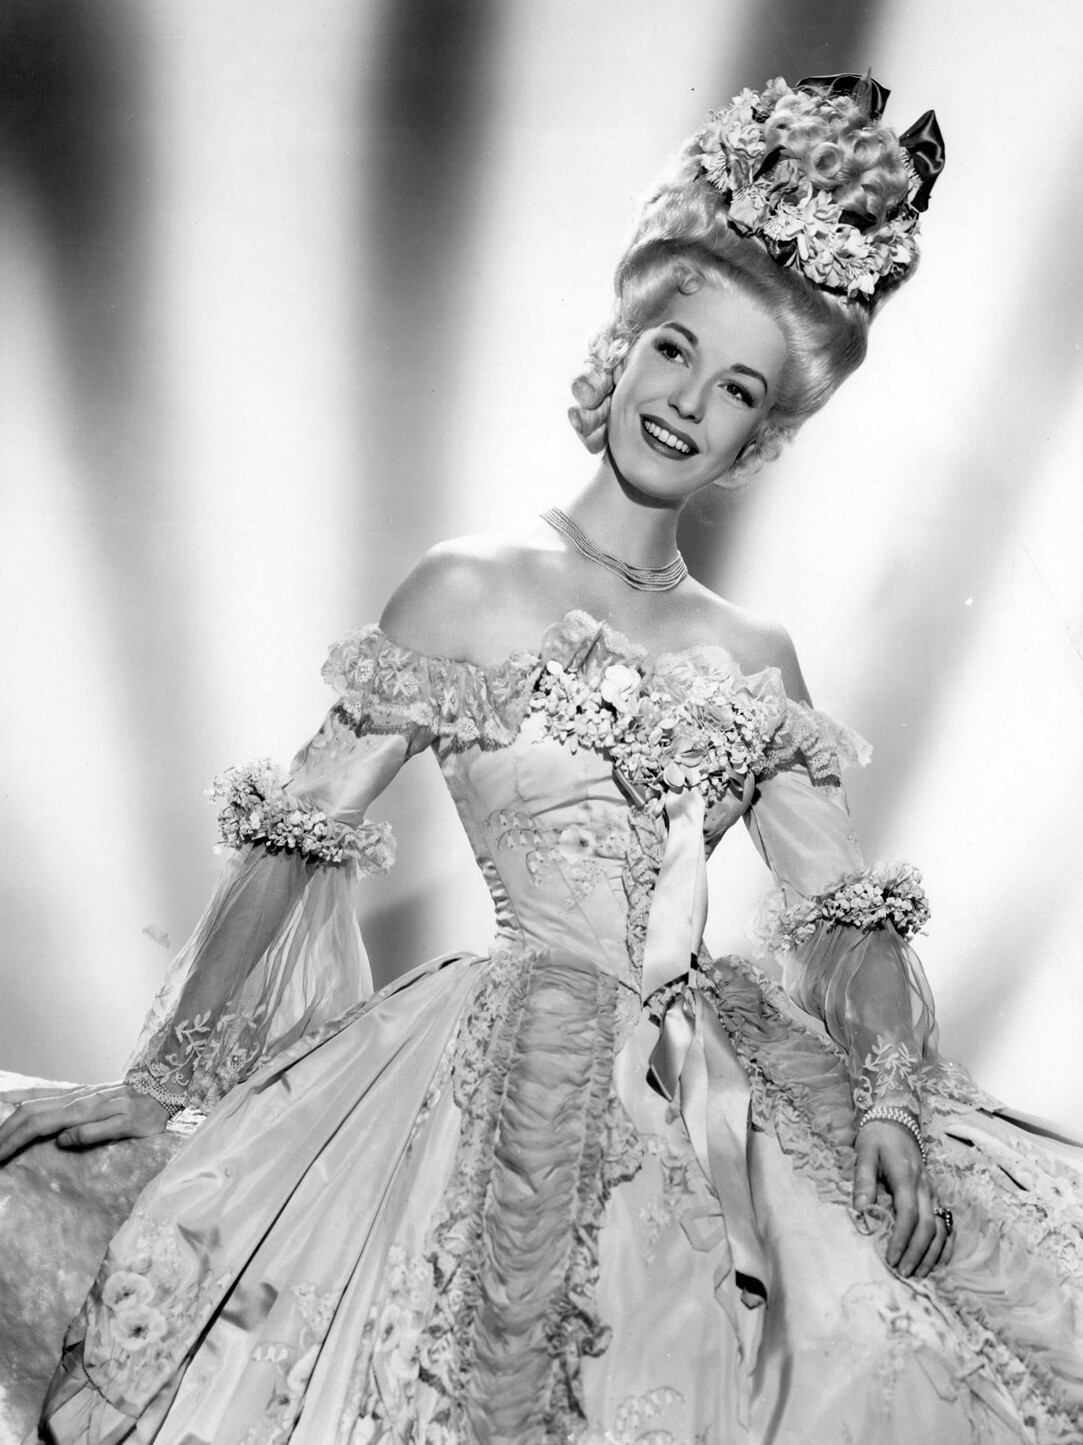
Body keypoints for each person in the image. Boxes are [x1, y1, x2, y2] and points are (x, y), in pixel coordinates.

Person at [2, 72, 1081, 1444]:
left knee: (883, 1343)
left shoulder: (756, 654)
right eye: (675, 350)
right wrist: (162, 1084)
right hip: (496, 1062)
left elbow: (839, 916)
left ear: (762, 434)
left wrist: (889, 1107)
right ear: (623, 344)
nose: (687, 402)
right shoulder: (470, 589)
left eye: (737, 388)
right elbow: (299, 837)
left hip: (716, 1081)